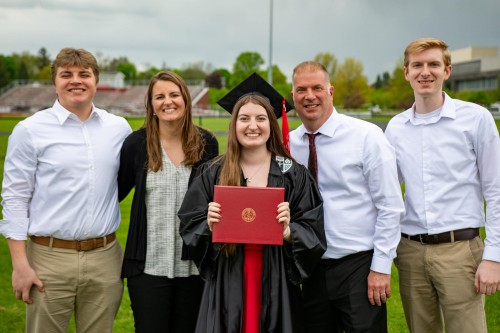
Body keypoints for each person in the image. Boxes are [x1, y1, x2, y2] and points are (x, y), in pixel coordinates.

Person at [178, 73, 326, 333]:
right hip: (228, 275)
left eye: (261, 118)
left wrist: (290, 231)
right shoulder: (213, 171)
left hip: (276, 276)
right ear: (234, 125)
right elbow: (190, 224)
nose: (252, 126)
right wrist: (209, 225)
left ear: (271, 124)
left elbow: (314, 229)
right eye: (244, 118)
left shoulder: (293, 173)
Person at [0, 48, 132, 333]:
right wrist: (20, 265)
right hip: (49, 257)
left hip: (105, 257)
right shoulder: (30, 130)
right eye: (66, 74)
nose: (76, 81)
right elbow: (14, 198)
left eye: (84, 74)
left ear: (95, 80)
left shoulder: (118, 128)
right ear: (55, 82)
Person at [385, 37, 500, 333]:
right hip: (410, 251)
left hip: (460, 250)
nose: (426, 72)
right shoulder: (396, 127)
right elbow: (385, 193)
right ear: (406, 72)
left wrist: (493, 257)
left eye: (434, 64)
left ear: (447, 71)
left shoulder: (476, 119)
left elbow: (496, 191)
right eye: (417, 65)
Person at [289, 61, 405, 332]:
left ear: (331, 91)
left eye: (317, 87)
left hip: (358, 267)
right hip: (310, 268)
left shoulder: (366, 137)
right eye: (301, 89)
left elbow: (390, 206)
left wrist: (380, 267)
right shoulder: (289, 144)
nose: (309, 96)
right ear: (292, 95)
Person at [117, 70, 219, 332]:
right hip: (149, 267)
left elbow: (215, 197)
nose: (168, 101)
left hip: (194, 268)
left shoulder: (207, 143)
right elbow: (113, 194)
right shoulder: (136, 144)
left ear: (186, 100)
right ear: (151, 105)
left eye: (174, 94)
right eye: (159, 96)